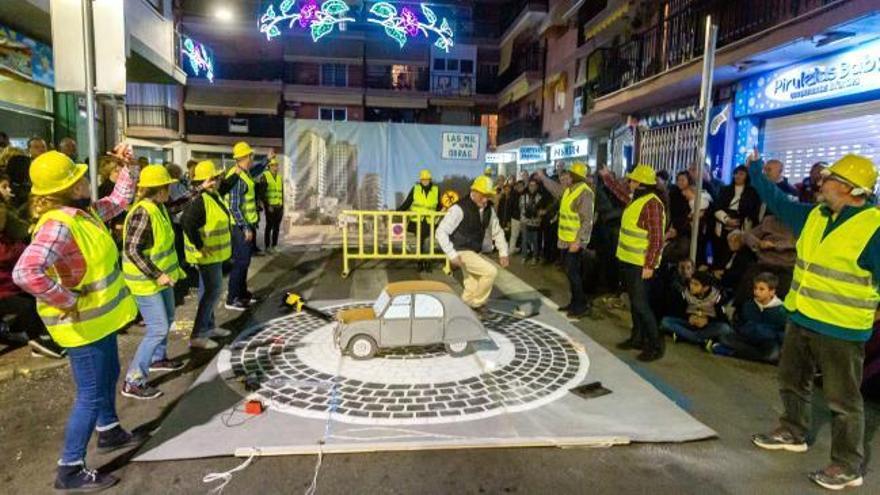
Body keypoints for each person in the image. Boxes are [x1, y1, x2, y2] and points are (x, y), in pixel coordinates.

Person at [749, 151, 880, 490]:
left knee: (843, 400)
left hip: (842, 328)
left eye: (831, 179)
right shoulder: (816, 216)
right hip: (803, 317)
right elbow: (778, 201)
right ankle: (793, 431)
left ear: (852, 190)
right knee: (791, 380)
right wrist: (755, 171)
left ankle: (848, 464)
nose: (822, 182)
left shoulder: (874, 228)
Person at [13, 148, 141, 492]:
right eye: (79, 176)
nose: (87, 178)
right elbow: (26, 272)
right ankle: (69, 468)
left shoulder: (84, 214)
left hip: (98, 322)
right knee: (91, 395)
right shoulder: (59, 225)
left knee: (109, 375)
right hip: (81, 327)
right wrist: (66, 300)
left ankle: (110, 430)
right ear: (72, 188)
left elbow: (120, 199)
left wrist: (130, 167)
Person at [119, 165, 203, 399]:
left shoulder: (158, 207)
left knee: (167, 319)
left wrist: (198, 190)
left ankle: (158, 359)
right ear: (160, 189)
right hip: (146, 283)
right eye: (168, 186)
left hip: (159, 281)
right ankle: (133, 380)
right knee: (157, 328)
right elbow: (132, 250)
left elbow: (177, 206)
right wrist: (157, 274)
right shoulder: (143, 212)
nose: (171, 191)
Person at [600, 164, 667, 361]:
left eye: (632, 180)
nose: (629, 183)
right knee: (636, 304)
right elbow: (621, 193)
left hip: (640, 264)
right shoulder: (637, 199)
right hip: (629, 260)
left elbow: (656, 238)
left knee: (640, 304)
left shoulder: (652, 204)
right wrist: (607, 178)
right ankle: (637, 338)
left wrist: (649, 264)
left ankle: (655, 345)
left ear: (641, 183)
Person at [0, 172, 65, 358]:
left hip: (9, 285)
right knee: (31, 304)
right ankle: (38, 340)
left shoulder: (8, 227)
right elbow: (8, 255)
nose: (9, 190)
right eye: (4, 186)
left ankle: (22, 332)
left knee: (36, 297)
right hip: (5, 289)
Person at [182, 161, 236, 350]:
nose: (220, 180)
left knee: (208, 292)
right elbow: (186, 222)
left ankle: (209, 327)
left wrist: (238, 171)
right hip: (207, 257)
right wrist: (200, 245)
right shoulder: (200, 200)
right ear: (209, 180)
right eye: (216, 177)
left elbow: (228, 185)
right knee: (212, 293)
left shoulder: (211, 195)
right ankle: (198, 335)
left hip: (214, 255)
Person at [436, 175, 509, 313]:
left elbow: (497, 231)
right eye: (483, 195)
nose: (486, 199)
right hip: (460, 250)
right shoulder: (459, 209)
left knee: (472, 287)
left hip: (475, 251)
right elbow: (441, 232)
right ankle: (476, 305)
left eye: (488, 195)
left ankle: (462, 312)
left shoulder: (489, 210)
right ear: (473, 192)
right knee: (490, 272)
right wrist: (452, 255)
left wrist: (503, 252)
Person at [538, 162, 595, 319]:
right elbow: (555, 189)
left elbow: (587, 220)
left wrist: (579, 241)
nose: (566, 177)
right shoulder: (570, 190)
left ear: (575, 176)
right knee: (570, 274)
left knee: (574, 274)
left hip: (574, 243)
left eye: (569, 175)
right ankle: (575, 302)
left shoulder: (584, 193)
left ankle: (581, 306)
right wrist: (543, 178)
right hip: (566, 241)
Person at [711, 272, 788, 363]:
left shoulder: (781, 310)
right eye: (755, 288)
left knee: (772, 355)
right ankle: (751, 354)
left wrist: (767, 333)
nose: (756, 292)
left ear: (772, 292)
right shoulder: (748, 305)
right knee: (724, 338)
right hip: (748, 338)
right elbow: (740, 324)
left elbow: (783, 333)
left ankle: (732, 353)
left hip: (768, 342)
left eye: (761, 289)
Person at [224, 142, 263, 311]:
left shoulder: (244, 173)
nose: (252, 159)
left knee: (244, 262)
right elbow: (234, 206)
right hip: (240, 228)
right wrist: (245, 227)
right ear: (245, 157)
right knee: (240, 262)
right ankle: (232, 298)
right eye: (251, 156)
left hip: (246, 225)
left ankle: (242, 294)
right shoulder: (238, 176)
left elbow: (256, 172)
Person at [660, 270, 731, 348]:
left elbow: (723, 319)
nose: (691, 286)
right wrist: (689, 317)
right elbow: (675, 311)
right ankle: (699, 339)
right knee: (665, 321)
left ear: (705, 288)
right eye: (691, 283)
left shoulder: (716, 297)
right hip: (689, 323)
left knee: (725, 328)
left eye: (696, 284)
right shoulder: (685, 293)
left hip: (706, 327)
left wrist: (707, 320)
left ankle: (687, 337)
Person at [737, 214, 796, 306]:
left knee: (784, 291)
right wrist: (759, 243)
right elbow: (747, 235)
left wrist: (776, 245)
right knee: (748, 287)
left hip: (786, 266)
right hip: (764, 263)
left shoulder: (799, 222)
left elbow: (801, 243)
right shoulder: (770, 220)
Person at [712, 165, 760, 265]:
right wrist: (726, 220)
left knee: (735, 253)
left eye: (741, 174)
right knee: (720, 252)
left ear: (747, 176)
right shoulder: (724, 189)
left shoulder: (752, 192)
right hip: (723, 222)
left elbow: (753, 212)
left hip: (741, 225)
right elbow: (717, 207)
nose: (737, 176)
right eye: (736, 173)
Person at [397, 169, 441, 271]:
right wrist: (398, 211)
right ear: (420, 180)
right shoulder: (415, 189)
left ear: (430, 180)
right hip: (418, 221)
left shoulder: (436, 189)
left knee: (428, 242)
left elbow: (438, 205)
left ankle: (428, 263)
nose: (425, 181)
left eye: (427, 179)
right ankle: (420, 263)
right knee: (420, 242)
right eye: (423, 179)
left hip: (430, 221)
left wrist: (439, 215)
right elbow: (408, 202)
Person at [259, 157, 284, 254]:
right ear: (269, 166)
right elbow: (262, 193)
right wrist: (267, 205)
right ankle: (267, 246)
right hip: (270, 207)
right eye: (273, 165)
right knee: (269, 226)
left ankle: (274, 245)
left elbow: (282, 192)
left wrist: (283, 205)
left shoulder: (279, 178)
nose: (276, 167)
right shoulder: (265, 176)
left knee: (277, 227)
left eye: (277, 165)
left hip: (279, 206)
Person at [519, 178, 545, 265]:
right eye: (530, 185)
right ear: (528, 186)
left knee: (535, 241)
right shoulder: (523, 197)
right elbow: (521, 209)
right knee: (524, 240)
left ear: (537, 187)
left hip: (536, 223)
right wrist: (523, 220)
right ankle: (524, 256)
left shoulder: (540, 197)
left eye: (534, 185)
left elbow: (541, 211)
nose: (532, 187)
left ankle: (534, 257)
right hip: (525, 222)